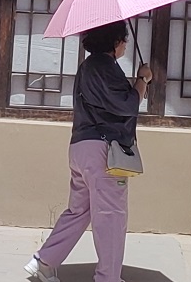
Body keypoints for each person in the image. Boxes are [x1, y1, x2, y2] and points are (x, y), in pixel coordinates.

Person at [24, 20, 152, 282]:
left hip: (81, 147)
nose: (126, 45)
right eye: (124, 40)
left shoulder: (87, 67)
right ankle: (108, 277)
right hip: (104, 151)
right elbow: (127, 105)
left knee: (79, 211)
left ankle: (45, 261)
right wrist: (142, 80)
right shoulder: (106, 67)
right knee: (111, 215)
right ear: (115, 42)